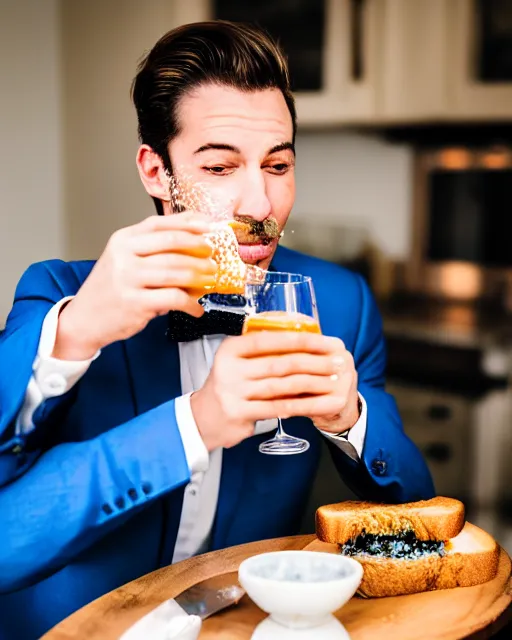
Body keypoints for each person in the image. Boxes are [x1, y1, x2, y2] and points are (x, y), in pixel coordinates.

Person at [0, 20, 435, 639]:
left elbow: (420, 512)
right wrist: (194, 417)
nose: (259, 206)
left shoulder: (339, 302)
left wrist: (351, 420)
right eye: (220, 167)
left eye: (277, 165)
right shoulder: (61, 296)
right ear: (157, 172)